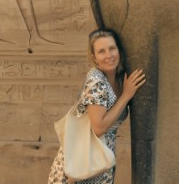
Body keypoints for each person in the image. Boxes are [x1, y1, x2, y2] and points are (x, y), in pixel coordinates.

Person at [48, 28, 146, 183]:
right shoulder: (96, 80)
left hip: (99, 162)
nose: (109, 55)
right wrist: (126, 96)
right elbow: (98, 128)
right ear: (94, 57)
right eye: (101, 51)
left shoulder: (119, 78)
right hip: (80, 167)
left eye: (112, 48)